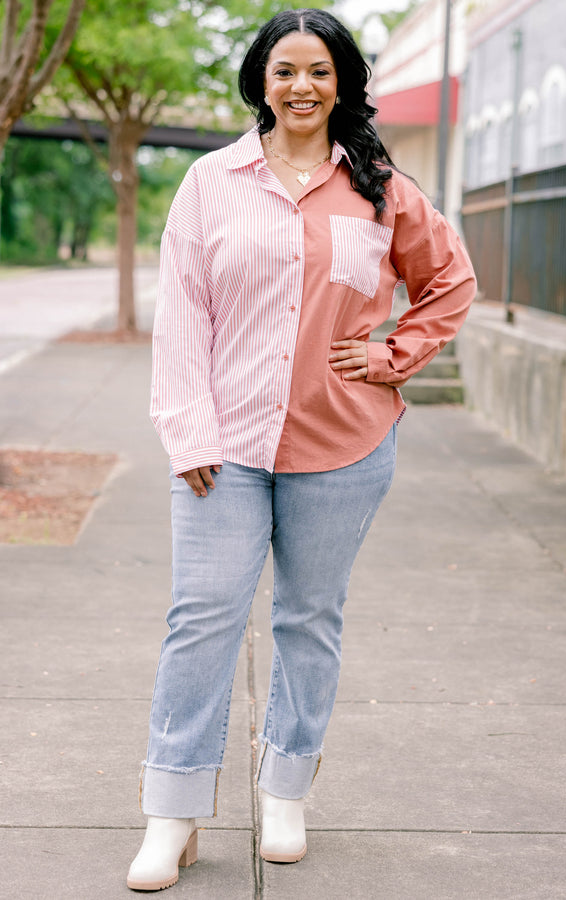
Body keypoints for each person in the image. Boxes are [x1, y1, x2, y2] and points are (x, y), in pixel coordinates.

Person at [127, 7, 476, 892]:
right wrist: (186, 427)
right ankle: (172, 812)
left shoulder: (382, 188)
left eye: (319, 71)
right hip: (227, 442)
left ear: (342, 83)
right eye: (285, 70)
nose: (302, 87)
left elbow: (450, 280)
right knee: (201, 616)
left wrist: (393, 356)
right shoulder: (212, 181)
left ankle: (286, 788)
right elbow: (185, 313)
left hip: (344, 442)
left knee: (308, 619)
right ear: (261, 82)